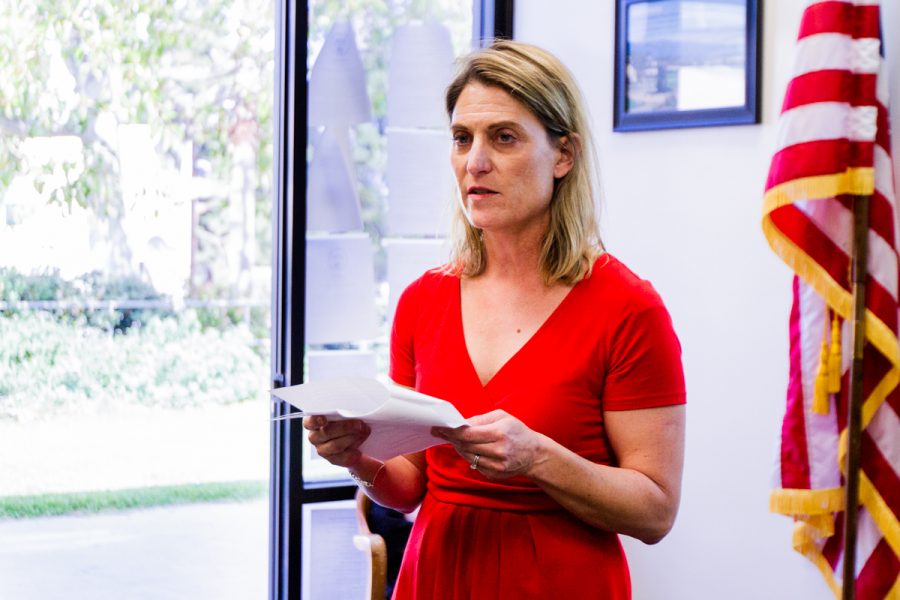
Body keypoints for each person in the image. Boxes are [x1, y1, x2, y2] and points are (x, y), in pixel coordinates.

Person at [304, 40, 686, 599]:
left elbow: (655, 511)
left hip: (562, 582)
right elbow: (411, 486)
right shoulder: (422, 300)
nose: (475, 162)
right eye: (462, 139)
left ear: (563, 156)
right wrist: (357, 457)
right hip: (436, 572)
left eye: (503, 137)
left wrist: (539, 458)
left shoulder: (628, 308)